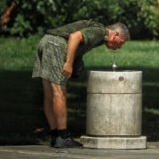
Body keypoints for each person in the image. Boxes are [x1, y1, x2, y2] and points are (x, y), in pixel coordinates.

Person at [32, 19, 130, 148]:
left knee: (49, 94)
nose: (119, 47)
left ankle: (55, 135)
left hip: (46, 42)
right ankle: (63, 136)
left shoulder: (99, 34)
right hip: (55, 45)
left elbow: (79, 43)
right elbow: (75, 37)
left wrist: (77, 62)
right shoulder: (101, 32)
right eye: (120, 43)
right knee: (59, 92)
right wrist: (68, 63)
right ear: (115, 34)